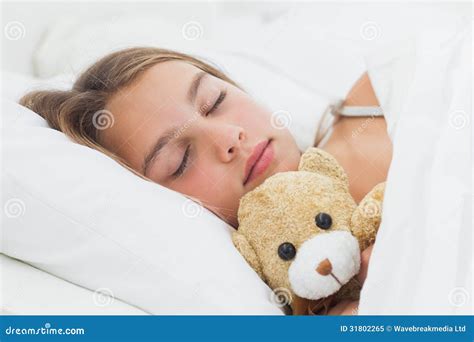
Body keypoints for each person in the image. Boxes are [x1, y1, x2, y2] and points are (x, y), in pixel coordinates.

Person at [20, 47, 392, 315]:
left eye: (214, 101)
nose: (228, 137)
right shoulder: (322, 307)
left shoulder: (377, 95)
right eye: (180, 161)